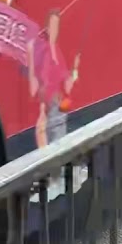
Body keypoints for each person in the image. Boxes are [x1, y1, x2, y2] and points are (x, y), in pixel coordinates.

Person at [28, 8, 80, 149]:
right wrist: (42, 108)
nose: (54, 29)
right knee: (53, 142)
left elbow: (68, 84)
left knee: (60, 141)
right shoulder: (42, 50)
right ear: (46, 28)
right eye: (52, 25)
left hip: (60, 106)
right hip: (50, 105)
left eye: (57, 26)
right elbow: (39, 81)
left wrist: (75, 69)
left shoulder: (57, 51)